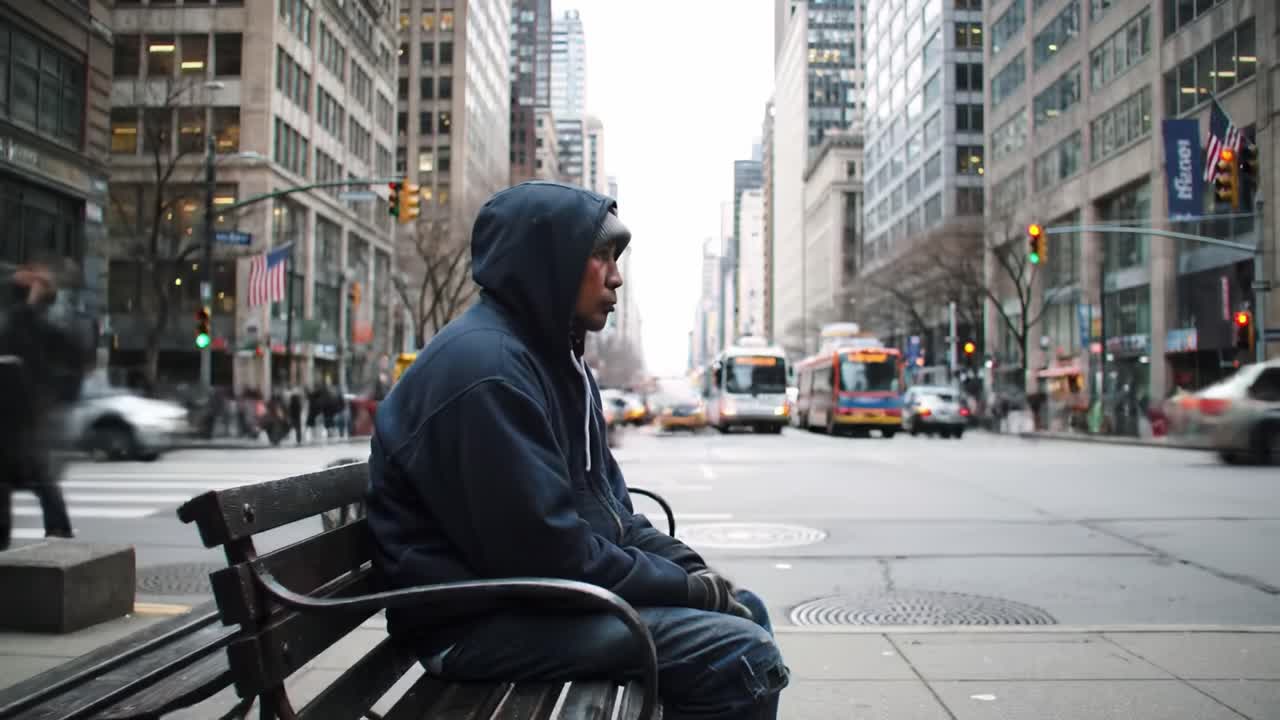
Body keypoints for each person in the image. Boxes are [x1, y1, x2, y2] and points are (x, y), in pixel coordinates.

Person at [366, 182, 788, 719]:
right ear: (547, 263)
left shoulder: (556, 364)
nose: (615, 275)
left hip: (523, 599)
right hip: (474, 625)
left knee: (745, 610)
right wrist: (687, 590)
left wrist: (696, 575)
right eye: (601, 256)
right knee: (739, 653)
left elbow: (610, 516)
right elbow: (549, 553)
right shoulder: (488, 372)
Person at [0, 265, 82, 551]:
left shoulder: (24, 326)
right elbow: (75, 356)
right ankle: (58, 540)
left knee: (32, 481)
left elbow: (73, 356)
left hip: (20, 423)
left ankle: (54, 541)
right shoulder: (29, 326)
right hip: (24, 421)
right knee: (38, 482)